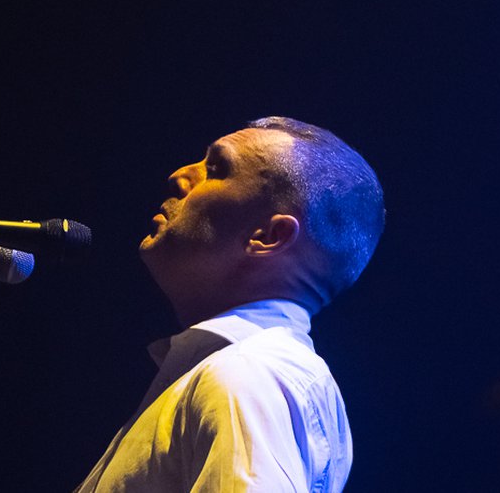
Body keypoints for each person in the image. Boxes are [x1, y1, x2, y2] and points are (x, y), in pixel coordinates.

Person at [76, 116, 384, 493]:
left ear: (268, 236)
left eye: (217, 168)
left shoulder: (251, 372)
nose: (179, 175)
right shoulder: (237, 370)